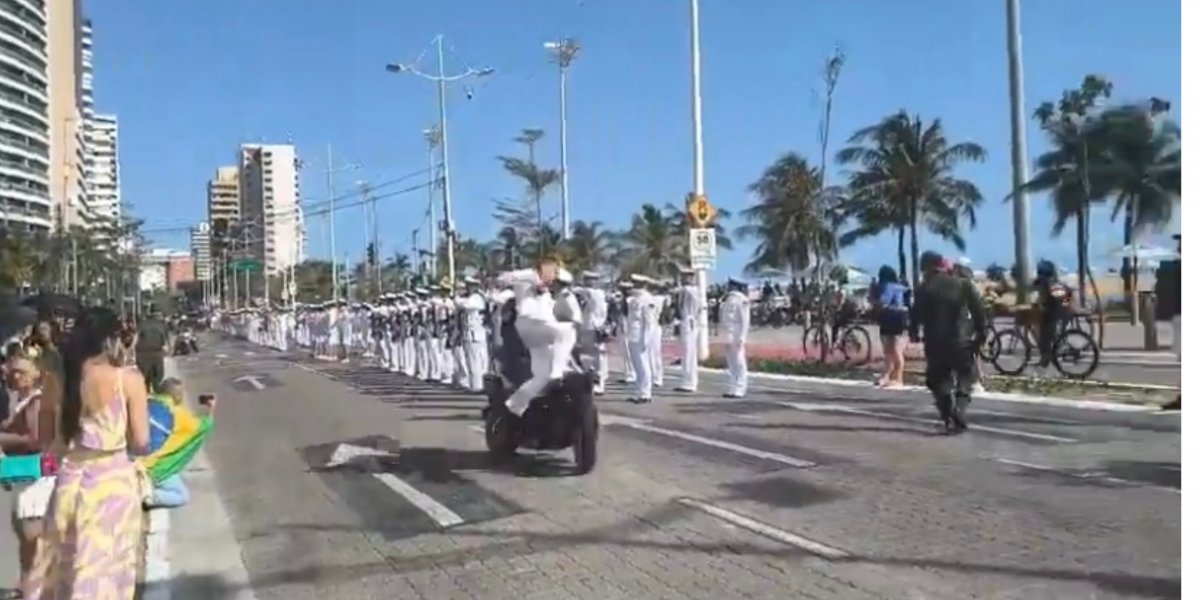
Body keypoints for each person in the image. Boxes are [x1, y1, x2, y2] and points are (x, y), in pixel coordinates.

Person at [24, 306, 150, 599]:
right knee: (107, 569)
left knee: (66, 564)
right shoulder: (128, 380)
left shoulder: (59, 380)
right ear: (110, 340)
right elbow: (141, 441)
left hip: (71, 481)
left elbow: (45, 440)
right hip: (113, 485)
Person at [911, 251, 987, 433]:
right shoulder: (962, 284)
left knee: (937, 379)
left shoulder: (923, 288)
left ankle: (948, 413)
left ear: (926, 268)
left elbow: (915, 315)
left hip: (935, 342)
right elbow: (979, 310)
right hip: (961, 339)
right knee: (965, 376)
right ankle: (959, 409)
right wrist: (981, 333)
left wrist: (913, 332)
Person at [0, 357, 55, 590]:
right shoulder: (20, 401)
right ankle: (27, 583)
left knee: (31, 532)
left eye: (22, 372)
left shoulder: (35, 402)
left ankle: (35, 585)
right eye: (13, 372)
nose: (16, 376)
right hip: (27, 473)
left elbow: (35, 439)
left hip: (37, 476)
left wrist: (2, 438)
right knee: (23, 531)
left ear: (35, 373)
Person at [503, 258, 576, 418]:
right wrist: (526, 281)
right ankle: (559, 372)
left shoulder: (551, 294)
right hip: (531, 322)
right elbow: (507, 277)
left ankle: (515, 405)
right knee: (567, 332)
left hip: (538, 330)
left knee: (541, 374)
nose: (556, 285)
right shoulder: (530, 275)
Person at [874, 265, 909, 388]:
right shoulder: (902, 288)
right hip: (900, 318)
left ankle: (895, 378)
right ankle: (889, 376)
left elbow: (884, 302)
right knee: (895, 349)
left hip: (890, 318)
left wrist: (874, 302)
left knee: (891, 350)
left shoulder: (887, 286)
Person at [624, 274, 656, 404]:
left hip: (641, 336)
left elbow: (649, 322)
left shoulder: (647, 299)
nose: (634, 285)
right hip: (633, 335)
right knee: (637, 365)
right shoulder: (635, 299)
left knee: (643, 365)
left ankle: (645, 393)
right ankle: (639, 392)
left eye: (637, 283)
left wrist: (646, 340)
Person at [577, 271, 610, 395]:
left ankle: (599, 382)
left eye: (590, 280)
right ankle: (592, 381)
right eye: (586, 280)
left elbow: (579, 291)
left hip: (595, 327)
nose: (587, 282)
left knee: (598, 356)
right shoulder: (592, 293)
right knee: (587, 355)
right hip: (586, 326)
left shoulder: (596, 293)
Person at [720, 278, 751, 398]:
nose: (729, 288)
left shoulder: (742, 300)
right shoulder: (727, 299)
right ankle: (732, 387)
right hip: (728, 335)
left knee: (739, 362)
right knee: (731, 363)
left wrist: (742, 337)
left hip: (736, 335)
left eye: (731, 286)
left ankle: (740, 388)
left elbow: (744, 320)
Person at [457, 277, 489, 393]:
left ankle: (477, 386)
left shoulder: (476, 298)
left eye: (469, 286)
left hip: (475, 334)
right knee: (474, 362)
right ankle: (477, 385)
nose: (467, 288)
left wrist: (458, 296)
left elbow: (463, 305)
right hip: (472, 334)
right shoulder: (473, 298)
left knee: (475, 362)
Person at [674, 269, 701, 393]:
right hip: (692, 322)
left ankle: (688, 381)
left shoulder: (685, 291)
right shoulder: (696, 291)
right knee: (689, 353)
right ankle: (690, 380)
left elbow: (680, 308)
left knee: (687, 353)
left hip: (687, 321)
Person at [135, 306, 170, 392]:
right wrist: (168, 350)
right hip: (156, 354)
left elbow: (136, 337)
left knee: (143, 380)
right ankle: (156, 399)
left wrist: (130, 350)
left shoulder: (142, 324)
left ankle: (145, 398)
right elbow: (165, 342)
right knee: (158, 380)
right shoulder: (162, 325)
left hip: (142, 355)